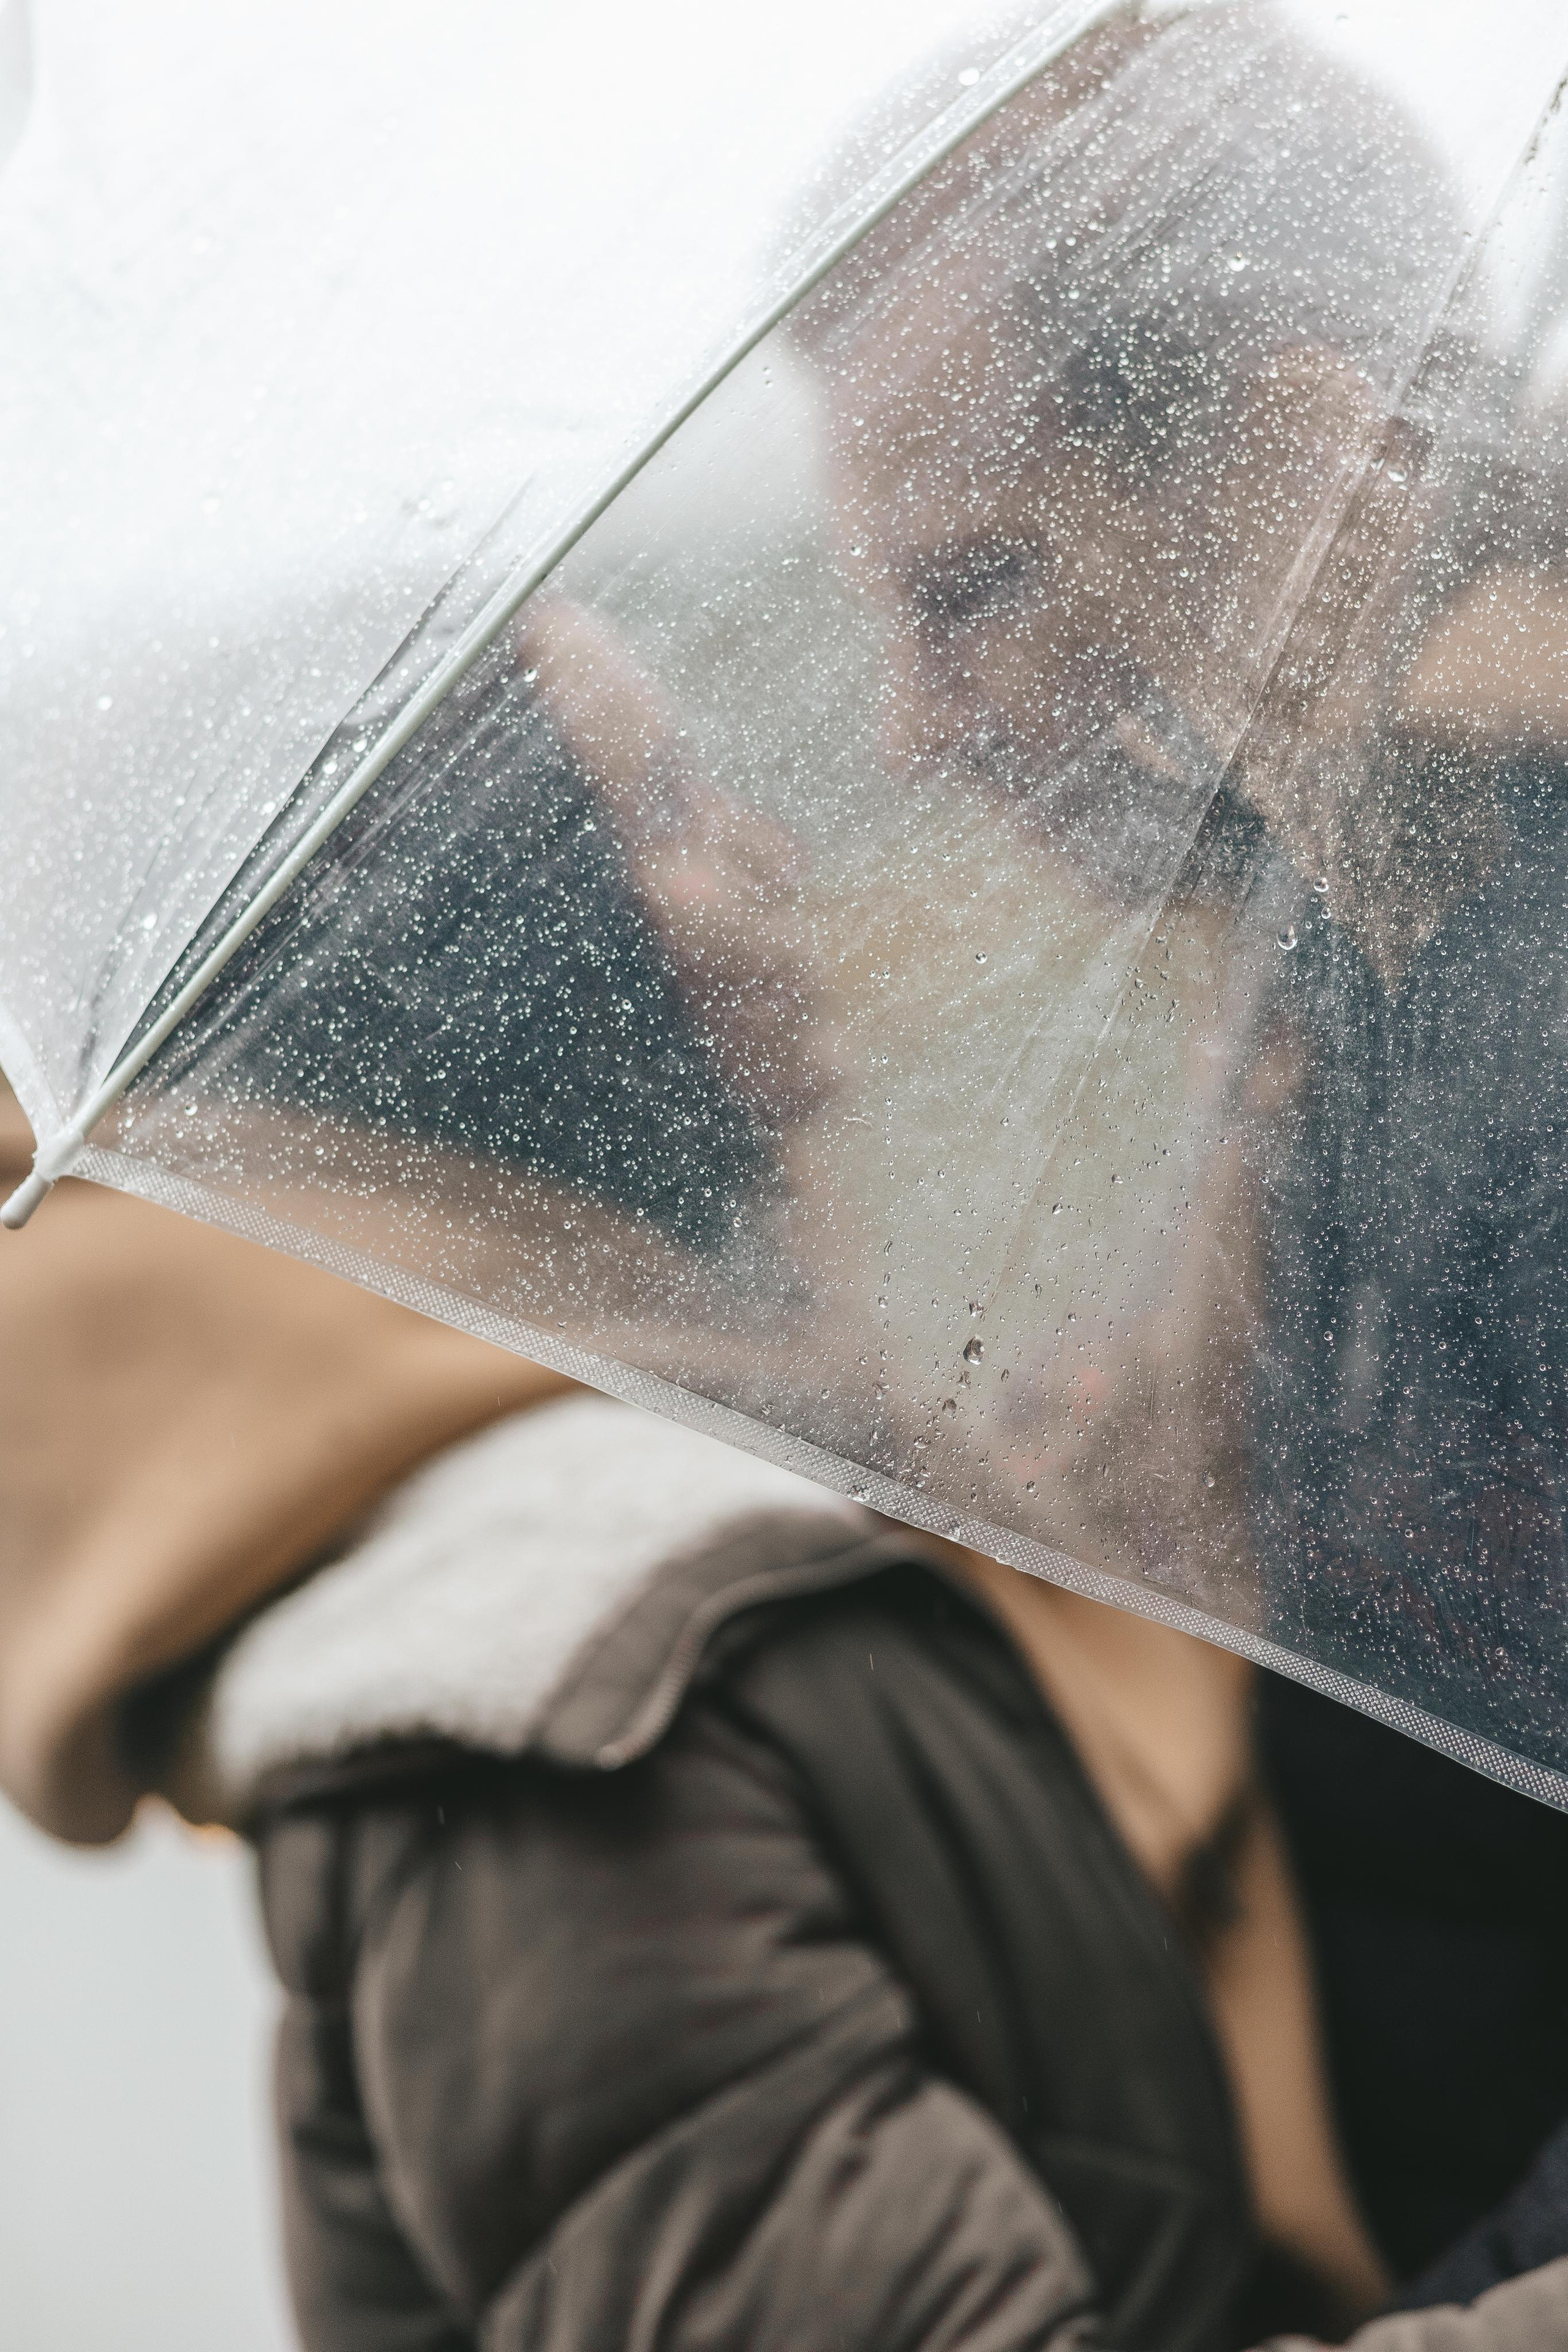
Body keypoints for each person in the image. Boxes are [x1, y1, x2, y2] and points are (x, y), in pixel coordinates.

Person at [6, 7, 1568, 2350]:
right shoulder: (594, 1644)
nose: (907, 746)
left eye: (976, 588)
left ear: (1303, 464)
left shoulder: (1456, 1019)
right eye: (681, 800)